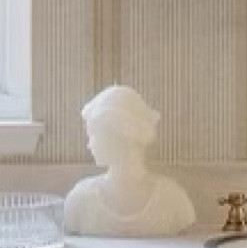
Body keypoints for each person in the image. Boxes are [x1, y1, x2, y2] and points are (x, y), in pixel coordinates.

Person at [63, 85, 195, 238]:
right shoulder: (81, 199)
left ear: (122, 137)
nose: (89, 144)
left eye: (94, 135)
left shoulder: (171, 198)